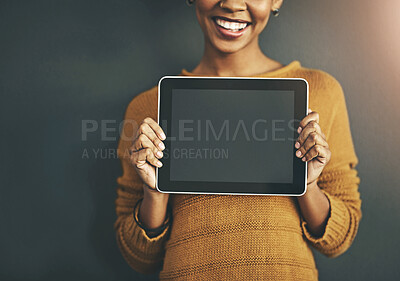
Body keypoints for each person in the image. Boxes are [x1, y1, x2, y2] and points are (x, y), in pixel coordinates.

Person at [114, 0, 362, 280]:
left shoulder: (321, 92)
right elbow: (138, 257)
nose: (232, 4)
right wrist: (155, 193)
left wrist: (307, 185)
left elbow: (340, 239)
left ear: (276, 1)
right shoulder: (147, 108)